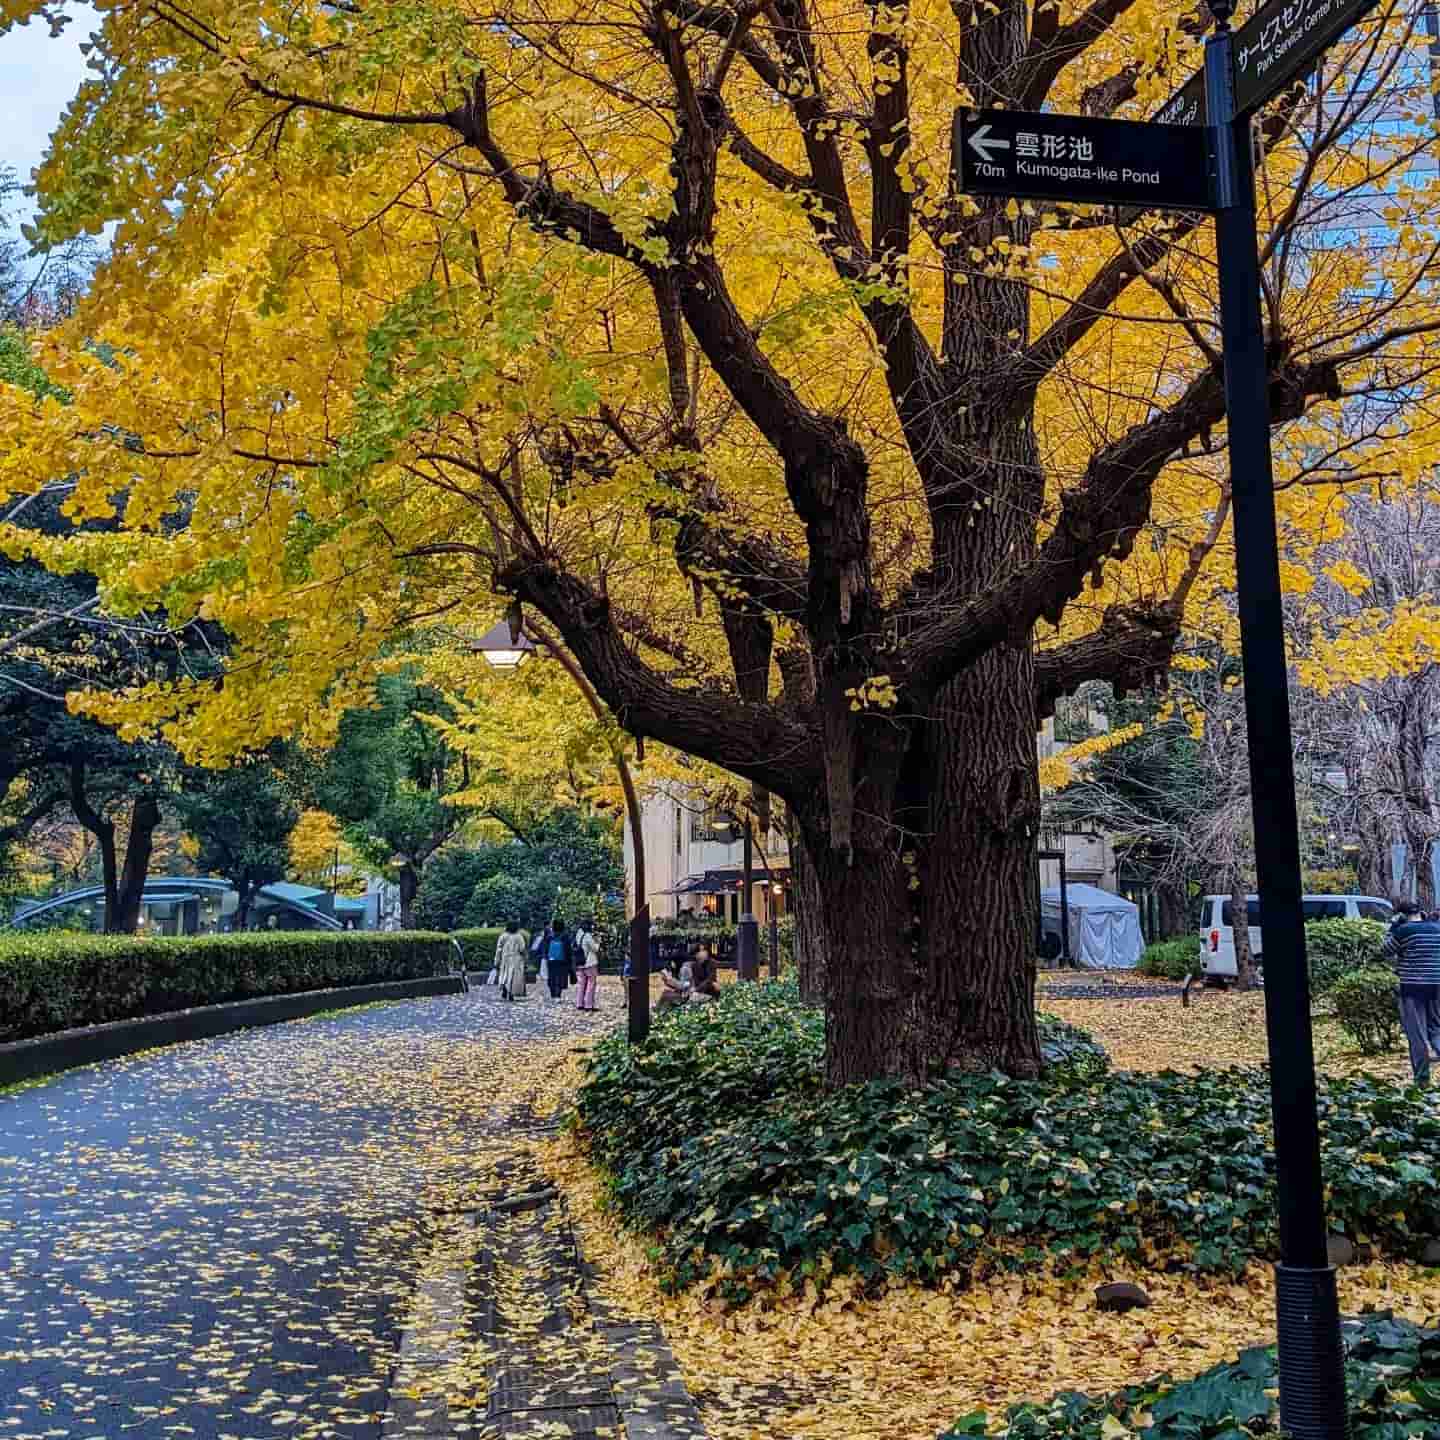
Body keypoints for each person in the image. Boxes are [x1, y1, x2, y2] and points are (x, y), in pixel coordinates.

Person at [1382, 900, 1440, 1083]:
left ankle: (1422, 1081)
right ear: (1421, 912)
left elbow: (1385, 951)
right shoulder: (1436, 928)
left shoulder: (1403, 931)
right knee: (1437, 1030)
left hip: (1413, 988)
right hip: (1437, 985)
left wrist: (1392, 928)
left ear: (1401, 915)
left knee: (1417, 1035)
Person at [495, 920, 528, 1001]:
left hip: (505, 959)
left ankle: (504, 989)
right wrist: (525, 959)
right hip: (516, 959)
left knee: (504, 975)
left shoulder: (503, 936)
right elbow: (522, 949)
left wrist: (496, 961)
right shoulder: (519, 937)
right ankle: (511, 993)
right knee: (513, 977)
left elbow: (498, 949)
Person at [574, 918, 601, 1012]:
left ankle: (579, 1003)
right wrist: (598, 941)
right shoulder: (588, 936)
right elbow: (595, 949)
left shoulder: (578, 934)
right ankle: (589, 1005)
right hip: (590, 963)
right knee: (591, 983)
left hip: (580, 962)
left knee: (581, 984)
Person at [546, 920, 573, 1002]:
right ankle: (558, 995)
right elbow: (568, 950)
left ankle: (552, 994)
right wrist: (569, 961)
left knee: (552, 976)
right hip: (562, 960)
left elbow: (545, 948)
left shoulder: (549, 936)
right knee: (560, 977)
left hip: (551, 960)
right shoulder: (565, 936)